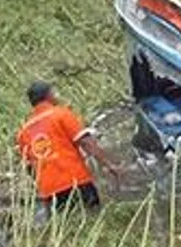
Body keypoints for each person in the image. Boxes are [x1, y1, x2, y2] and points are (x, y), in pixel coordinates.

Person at [16, 81, 120, 215]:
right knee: (93, 216)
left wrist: (42, 189)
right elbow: (86, 143)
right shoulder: (61, 114)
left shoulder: (23, 132)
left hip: (49, 191)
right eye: (54, 92)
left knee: (67, 225)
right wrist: (109, 165)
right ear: (48, 96)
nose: (57, 95)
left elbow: (30, 167)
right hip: (76, 181)